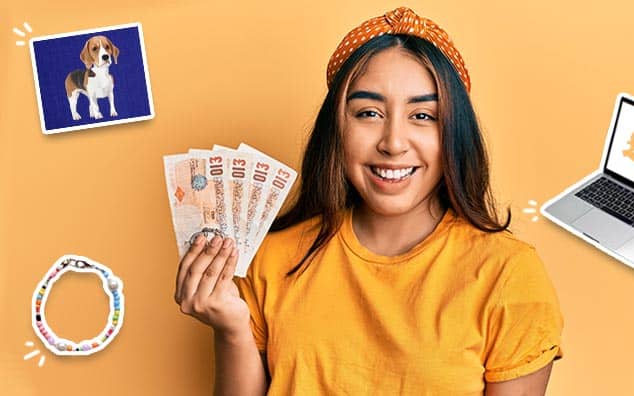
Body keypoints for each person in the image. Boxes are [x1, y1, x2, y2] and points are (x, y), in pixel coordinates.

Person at [174, 6, 564, 396]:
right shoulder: (273, 258)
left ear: (453, 134)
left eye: (423, 115)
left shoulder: (508, 273)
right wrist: (231, 329)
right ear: (337, 129)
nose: (393, 142)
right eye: (369, 112)